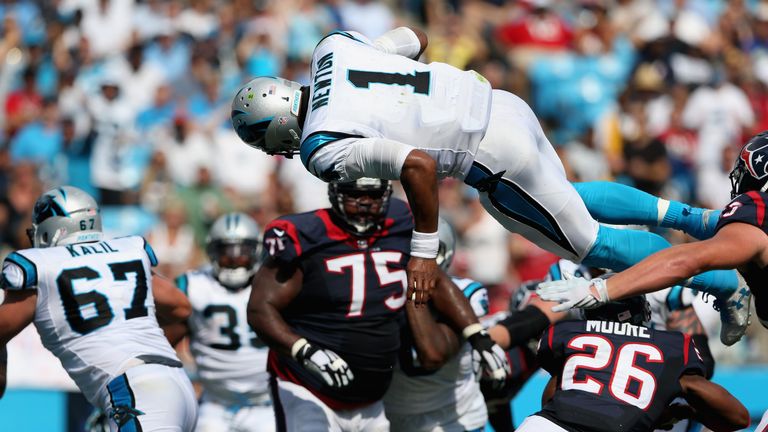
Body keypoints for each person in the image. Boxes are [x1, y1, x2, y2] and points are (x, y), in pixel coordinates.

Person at [230, 26, 747, 344]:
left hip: (489, 151)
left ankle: (723, 285)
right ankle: (697, 220)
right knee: (553, 199)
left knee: (593, 243)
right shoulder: (331, 47)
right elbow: (415, 38)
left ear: (273, 126)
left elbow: (418, 166)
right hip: (499, 104)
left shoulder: (321, 145)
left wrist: (422, 252)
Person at [247, 178, 507, 432]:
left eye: (373, 195)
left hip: (373, 403)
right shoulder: (306, 234)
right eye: (354, 194)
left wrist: (477, 335)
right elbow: (261, 309)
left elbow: (434, 279)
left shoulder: (400, 221)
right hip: (308, 389)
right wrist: (305, 350)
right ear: (334, 193)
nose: (365, 203)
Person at [0, 186, 198, 430]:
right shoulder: (126, 252)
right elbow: (180, 307)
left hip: (136, 392)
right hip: (176, 384)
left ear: (51, 228)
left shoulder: (43, 267)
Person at [537, 131, 768, 332]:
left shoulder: (759, 210)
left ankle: (726, 281)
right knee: (693, 218)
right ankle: (546, 192)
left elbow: (688, 261)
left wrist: (601, 289)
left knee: (690, 219)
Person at [516, 296, 749, 432]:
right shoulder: (670, 346)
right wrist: (685, 411)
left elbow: (551, 398)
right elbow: (738, 417)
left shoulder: (568, 333)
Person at [382, 217, 496, 432]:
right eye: (407, 255)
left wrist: (411, 287)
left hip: (454, 419)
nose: (415, 264)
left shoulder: (466, 292)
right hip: (391, 419)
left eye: (426, 255)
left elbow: (433, 354)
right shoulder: (380, 293)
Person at [165, 212, 273, 432]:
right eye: (226, 252)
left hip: (266, 404)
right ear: (212, 252)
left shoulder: (274, 284)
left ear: (257, 251)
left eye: (242, 252)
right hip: (215, 404)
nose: (234, 259)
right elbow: (165, 343)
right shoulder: (193, 285)